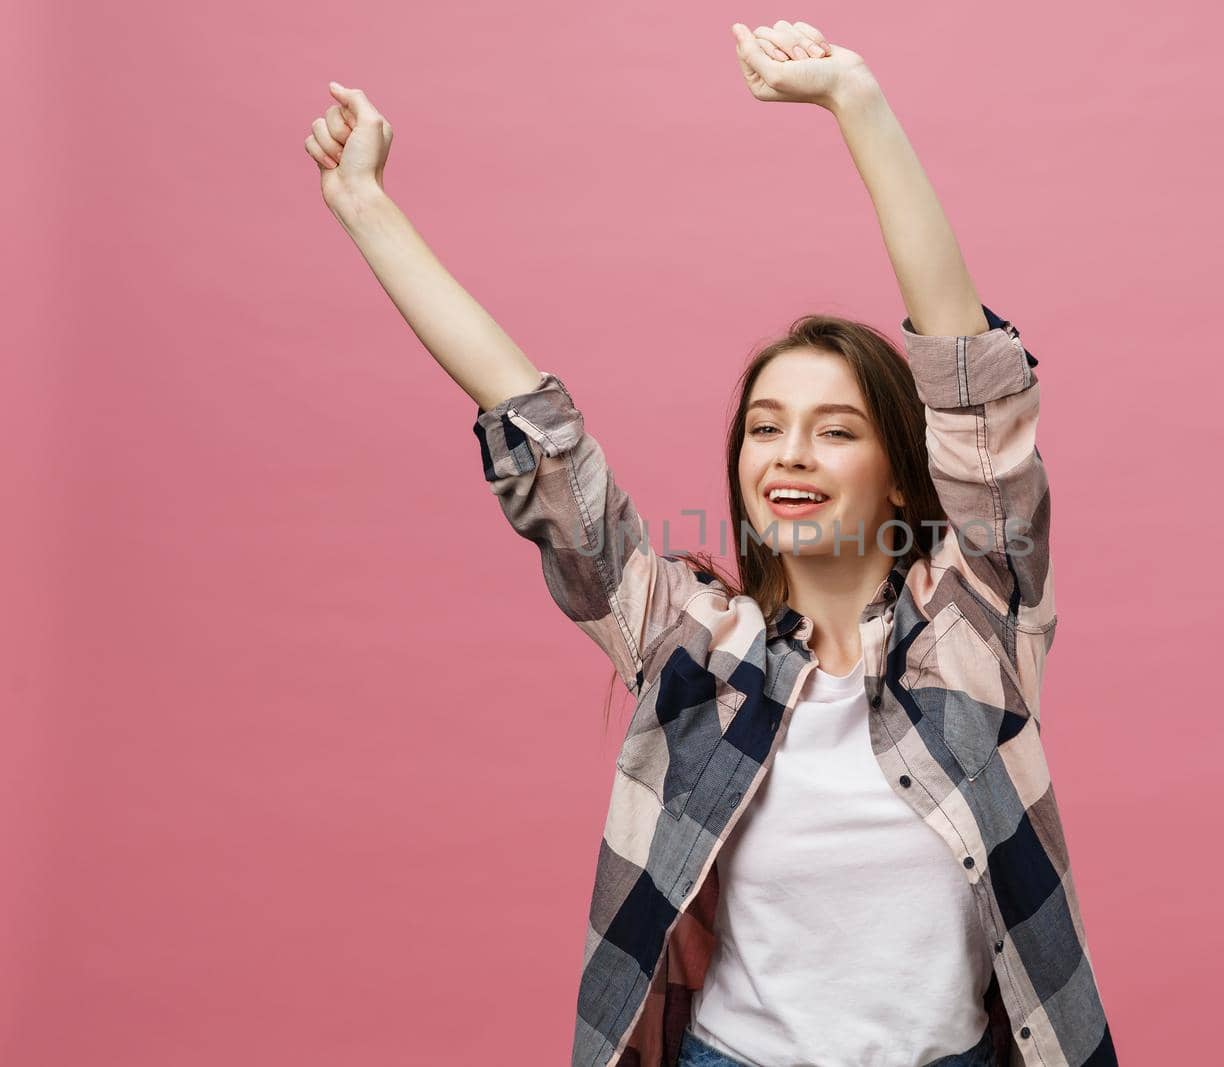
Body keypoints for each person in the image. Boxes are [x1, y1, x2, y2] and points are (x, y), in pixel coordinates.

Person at [304, 18, 1117, 1067]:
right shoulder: (691, 641)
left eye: (836, 429)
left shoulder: (977, 623)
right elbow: (538, 437)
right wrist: (364, 204)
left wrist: (855, 102)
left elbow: (971, 382)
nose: (791, 453)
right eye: (766, 426)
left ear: (905, 469)